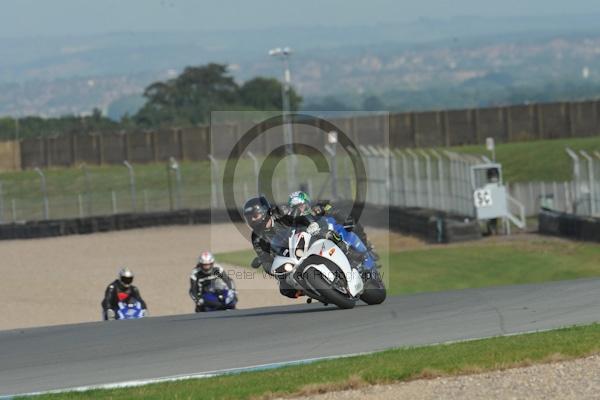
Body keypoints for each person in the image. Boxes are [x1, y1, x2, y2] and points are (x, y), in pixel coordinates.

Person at [287, 191, 376, 270]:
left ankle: (362, 249)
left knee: (351, 229)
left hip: (337, 236)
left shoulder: (316, 210)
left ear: (307, 204)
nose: (300, 210)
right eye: (296, 208)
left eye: (301, 206)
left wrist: (342, 218)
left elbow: (333, 211)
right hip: (317, 248)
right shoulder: (294, 226)